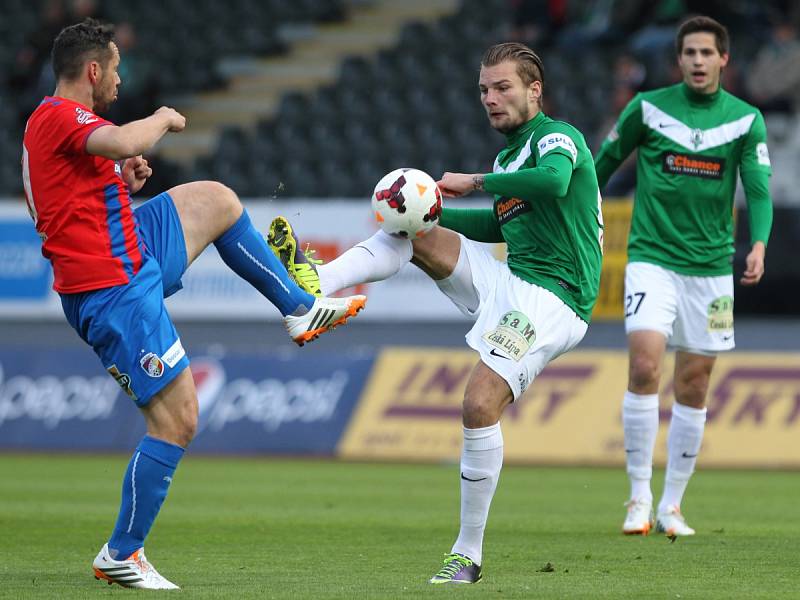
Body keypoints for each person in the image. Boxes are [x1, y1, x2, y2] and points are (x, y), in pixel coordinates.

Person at [21, 19, 365, 590]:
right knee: (177, 419)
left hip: (128, 245)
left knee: (217, 200)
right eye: (115, 68)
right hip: (109, 289)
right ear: (92, 71)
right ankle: (122, 554)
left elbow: (64, 193)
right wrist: (161, 119)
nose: (119, 78)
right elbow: (127, 139)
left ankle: (300, 306)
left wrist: (116, 177)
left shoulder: (47, 123)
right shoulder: (64, 115)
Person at [268, 41, 603, 584]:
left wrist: (473, 182)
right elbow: (502, 227)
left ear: (534, 89)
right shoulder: (506, 157)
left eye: (502, 87)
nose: (490, 99)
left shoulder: (557, 139)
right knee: (410, 222)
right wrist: (435, 211)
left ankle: (466, 556)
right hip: (512, 280)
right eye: (484, 90)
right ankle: (313, 289)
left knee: (477, 404)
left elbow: (555, 182)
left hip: (555, 298)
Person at [594, 16, 773, 537]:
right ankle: (636, 497)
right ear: (679, 60)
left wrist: (758, 243)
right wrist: (578, 209)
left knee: (694, 382)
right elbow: (601, 163)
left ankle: (672, 505)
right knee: (646, 364)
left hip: (712, 271)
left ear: (723, 60)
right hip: (652, 258)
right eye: (689, 52)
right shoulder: (647, 108)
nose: (697, 60)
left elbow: (758, 190)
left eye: (706, 53)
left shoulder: (745, 121)